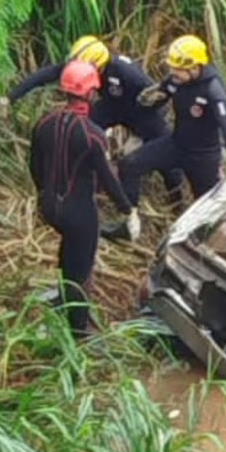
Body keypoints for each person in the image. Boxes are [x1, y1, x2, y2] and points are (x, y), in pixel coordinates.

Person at [29, 59, 141, 339]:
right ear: (91, 92)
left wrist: (45, 195)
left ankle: (62, 298)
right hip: (80, 213)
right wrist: (128, 210)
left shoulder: (44, 123)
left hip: (50, 208)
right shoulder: (93, 135)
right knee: (81, 269)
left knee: (68, 252)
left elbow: (35, 168)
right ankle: (79, 332)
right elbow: (108, 178)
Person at [0, 35, 184, 201]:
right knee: (82, 131)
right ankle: (80, 176)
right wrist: (9, 98)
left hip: (141, 112)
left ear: (98, 66)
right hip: (111, 106)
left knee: (163, 152)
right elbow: (44, 75)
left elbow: (159, 96)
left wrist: (141, 135)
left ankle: (176, 199)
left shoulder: (125, 72)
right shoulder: (81, 67)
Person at [106, 34, 226, 238]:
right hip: (176, 144)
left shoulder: (212, 89)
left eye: (178, 69)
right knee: (129, 165)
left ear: (194, 67)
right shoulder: (176, 81)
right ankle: (130, 224)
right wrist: (147, 102)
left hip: (203, 157)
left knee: (207, 208)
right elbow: (159, 95)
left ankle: (198, 243)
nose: (172, 72)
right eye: (172, 67)